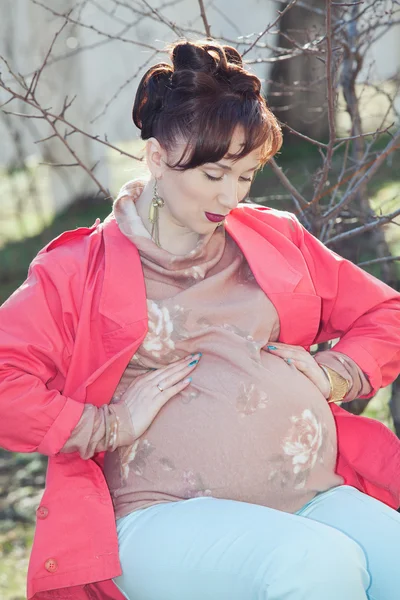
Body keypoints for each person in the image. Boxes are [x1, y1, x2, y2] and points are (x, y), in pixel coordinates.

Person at [1, 39, 400, 600]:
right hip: (158, 517)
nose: (230, 196)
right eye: (213, 174)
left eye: (245, 175)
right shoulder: (74, 270)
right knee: (313, 562)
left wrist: (335, 372)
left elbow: (386, 310)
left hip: (306, 492)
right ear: (159, 157)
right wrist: (108, 424)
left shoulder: (273, 237)